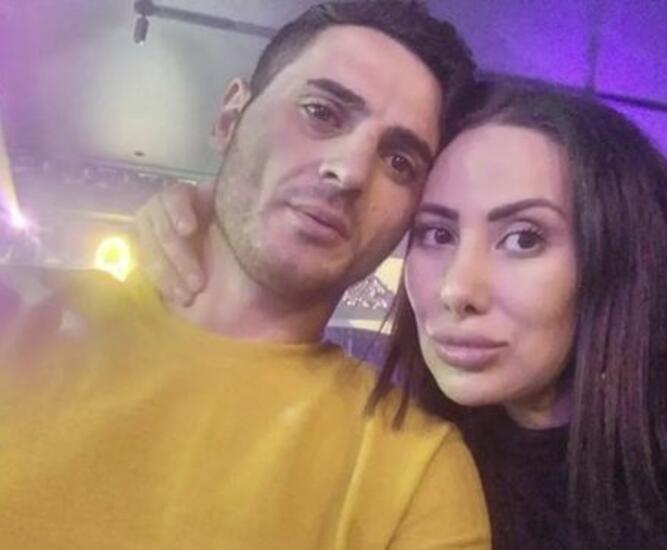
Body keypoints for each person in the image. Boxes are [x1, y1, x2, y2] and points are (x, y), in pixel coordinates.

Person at [143, 77, 667, 549]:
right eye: (436, 234)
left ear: (617, 257)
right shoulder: (405, 456)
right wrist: (223, 245)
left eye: (524, 238)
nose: (458, 289)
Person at [0, 2, 492, 548]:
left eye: (400, 162)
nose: (350, 171)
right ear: (230, 117)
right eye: (321, 112)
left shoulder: (414, 469)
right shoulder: (20, 316)